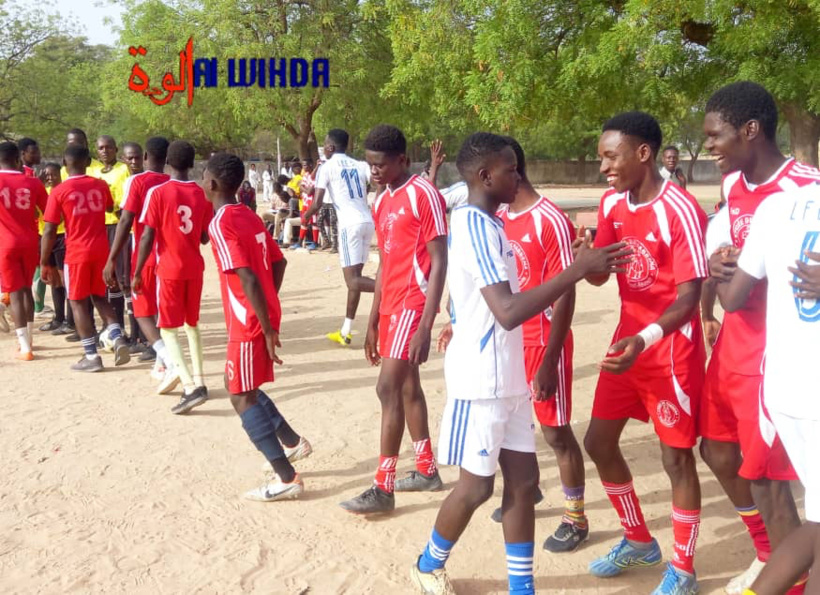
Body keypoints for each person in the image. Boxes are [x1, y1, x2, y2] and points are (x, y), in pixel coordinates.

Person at [410, 132, 630, 594]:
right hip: (481, 380)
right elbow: (507, 311)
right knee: (476, 488)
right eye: (510, 169)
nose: (518, 176)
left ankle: (521, 587)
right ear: (485, 176)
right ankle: (428, 564)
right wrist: (575, 268)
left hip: (508, 377)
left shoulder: (491, 224)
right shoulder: (471, 224)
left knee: (525, 481)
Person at [699, 81, 820, 595]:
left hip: (779, 350)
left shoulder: (804, 186)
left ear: (751, 130)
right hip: (735, 337)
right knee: (717, 452)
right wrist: (719, 263)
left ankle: (790, 576)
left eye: (715, 135)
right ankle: (771, 556)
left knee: (769, 477)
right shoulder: (735, 189)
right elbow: (734, 262)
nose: (709, 145)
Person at [583, 112, 707, 595]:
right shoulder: (612, 201)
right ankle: (638, 539)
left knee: (676, 460)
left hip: (668, 352)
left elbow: (690, 297)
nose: (603, 169)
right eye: (601, 159)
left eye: (610, 157)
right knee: (598, 442)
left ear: (643, 153)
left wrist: (647, 339)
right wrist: (586, 256)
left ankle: (683, 569)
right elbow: (600, 274)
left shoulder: (680, 209)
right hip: (626, 345)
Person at [338, 124, 448, 514]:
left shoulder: (424, 195)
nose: (375, 172)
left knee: (387, 388)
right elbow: (385, 262)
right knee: (405, 388)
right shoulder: (382, 200)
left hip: (413, 304)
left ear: (402, 160)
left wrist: (425, 323)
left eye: (381, 165)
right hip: (390, 307)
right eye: (370, 165)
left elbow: (439, 261)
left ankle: (383, 487)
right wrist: (371, 320)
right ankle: (426, 470)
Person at [491, 137, 589, 552]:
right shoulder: (496, 215)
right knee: (510, 425)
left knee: (555, 432)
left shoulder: (549, 219)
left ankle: (576, 517)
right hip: (509, 341)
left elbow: (565, 291)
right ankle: (526, 489)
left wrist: (550, 358)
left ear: (511, 168)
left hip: (542, 343)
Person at [204, 152, 312, 501]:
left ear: (213, 183)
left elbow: (247, 275)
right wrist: (269, 304)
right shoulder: (247, 215)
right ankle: (293, 442)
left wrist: (265, 325)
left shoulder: (220, 223)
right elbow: (278, 263)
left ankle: (286, 476)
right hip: (257, 315)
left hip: (248, 320)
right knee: (239, 384)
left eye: (204, 176)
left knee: (240, 394)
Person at [133, 140, 212, 414]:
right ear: (192, 164)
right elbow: (204, 236)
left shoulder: (158, 193)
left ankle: (189, 386)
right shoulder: (202, 194)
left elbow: (146, 236)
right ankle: (201, 380)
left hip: (168, 268)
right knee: (192, 324)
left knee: (167, 328)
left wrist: (137, 270)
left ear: (167, 161)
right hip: (194, 267)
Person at [41, 144, 129, 372]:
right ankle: (118, 337)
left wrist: (43, 261)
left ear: (64, 163)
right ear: (88, 163)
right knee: (101, 297)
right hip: (101, 250)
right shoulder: (100, 185)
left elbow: (50, 230)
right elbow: (111, 207)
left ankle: (91, 356)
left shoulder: (59, 191)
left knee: (78, 302)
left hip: (77, 253)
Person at [105, 136, 178, 391]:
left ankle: (170, 360)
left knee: (142, 311)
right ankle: (161, 363)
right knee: (161, 312)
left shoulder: (137, 181)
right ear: (167, 158)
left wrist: (112, 258)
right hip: (170, 254)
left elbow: (125, 221)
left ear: (146, 156)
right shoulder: (172, 180)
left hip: (146, 254)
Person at [302, 129, 375, 346]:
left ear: (331, 148)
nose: (323, 148)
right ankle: (346, 330)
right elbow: (375, 184)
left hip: (348, 225)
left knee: (352, 280)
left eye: (324, 145)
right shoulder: (361, 165)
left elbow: (316, 203)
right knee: (356, 280)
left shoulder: (327, 166)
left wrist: (305, 217)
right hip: (366, 221)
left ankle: (393, 288)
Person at [0, 142, 48, 361]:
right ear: (18, 158)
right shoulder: (33, 182)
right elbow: (48, 212)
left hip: (5, 243)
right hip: (30, 241)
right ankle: (30, 338)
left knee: (15, 293)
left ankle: (25, 347)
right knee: (27, 289)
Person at [96, 135, 132, 340]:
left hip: (119, 226)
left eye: (109, 147)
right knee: (107, 280)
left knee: (121, 277)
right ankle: (114, 327)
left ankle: (128, 329)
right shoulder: (93, 171)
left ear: (116, 149)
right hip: (100, 227)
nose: (105, 151)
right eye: (101, 148)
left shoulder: (123, 169)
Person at [38, 163, 70, 335]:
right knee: (54, 281)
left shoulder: (64, 191)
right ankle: (59, 318)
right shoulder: (43, 192)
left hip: (61, 236)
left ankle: (70, 321)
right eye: (46, 175)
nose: (50, 178)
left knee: (66, 280)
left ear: (60, 174)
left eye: (53, 174)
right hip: (45, 237)